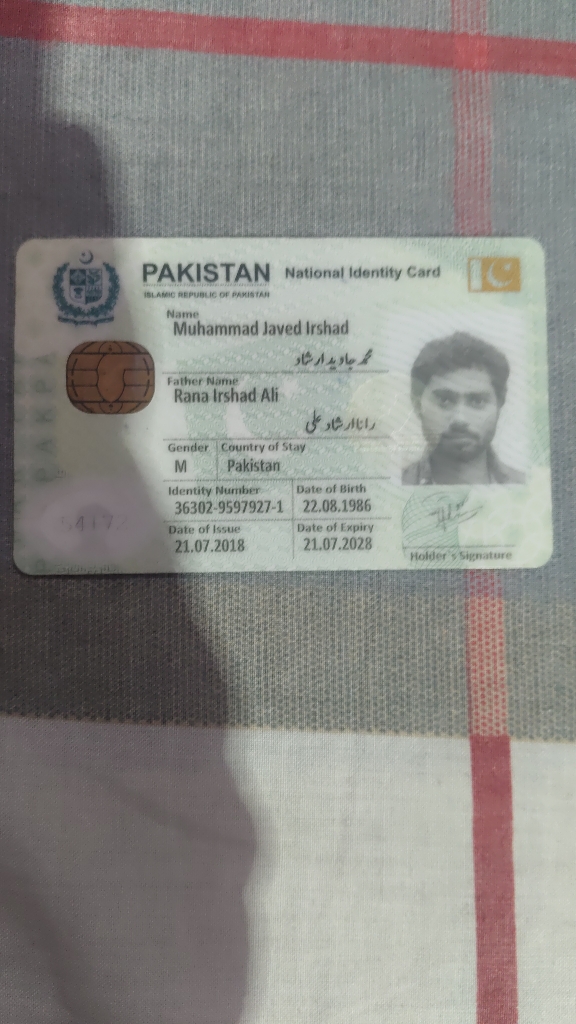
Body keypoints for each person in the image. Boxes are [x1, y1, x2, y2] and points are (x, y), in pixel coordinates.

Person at [402, 332, 526, 485]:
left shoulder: (531, 489)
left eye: (477, 401)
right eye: (444, 400)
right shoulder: (392, 485)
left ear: (500, 404)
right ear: (417, 405)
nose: (460, 419)